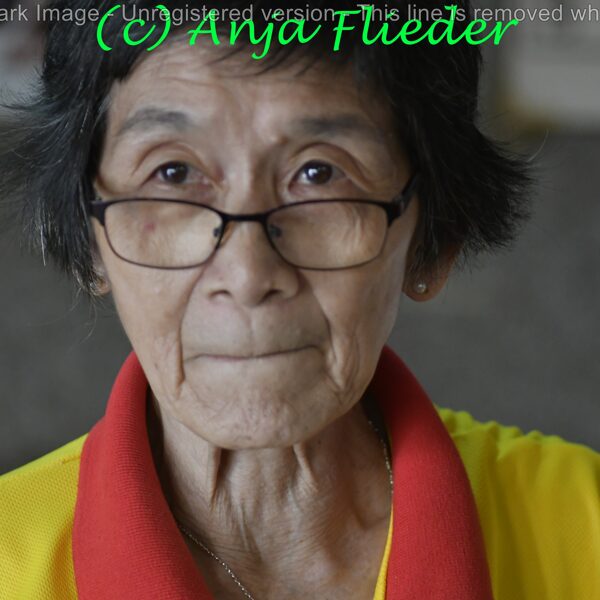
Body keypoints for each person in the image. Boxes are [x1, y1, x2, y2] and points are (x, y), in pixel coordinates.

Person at [0, 1, 598, 599]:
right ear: (86, 237)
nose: (247, 273)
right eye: (173, 174)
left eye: (319, 175)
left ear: (434, 242)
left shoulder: (583, 527)